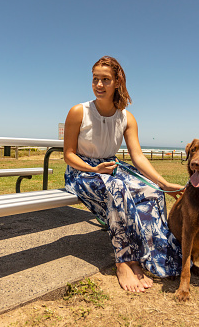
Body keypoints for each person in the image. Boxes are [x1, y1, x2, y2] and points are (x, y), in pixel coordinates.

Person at [63, 56, 184, 293]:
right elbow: (68, 154)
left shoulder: (127, 118)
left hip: (111, 168)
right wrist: (94, 169)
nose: (99, 85)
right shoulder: (79, 112)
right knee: (118, 189)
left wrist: (164, 183)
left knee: (152, 192)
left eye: (105, 80)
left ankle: (153, 255)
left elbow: (137, 157)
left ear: (117, 82)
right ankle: (125, 261)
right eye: (95, 79)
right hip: (81, 172)